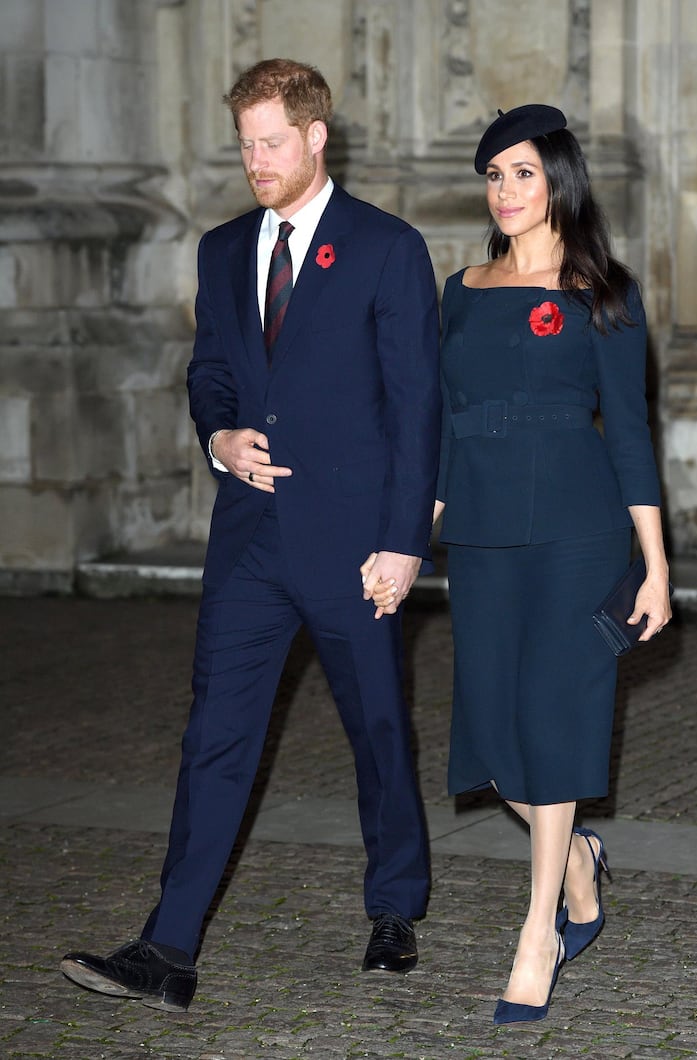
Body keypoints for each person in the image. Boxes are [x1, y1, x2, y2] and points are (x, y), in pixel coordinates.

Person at [60, 58, 441, 1011]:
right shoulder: (223, 248)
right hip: (250, 543)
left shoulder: (386, 247)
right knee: (214, 738)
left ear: (317, 136)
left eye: (272, 142)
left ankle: (395, 904)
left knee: (379, 732)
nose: (256, 160)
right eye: (244, 143)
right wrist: (221, 438)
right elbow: (211, 376)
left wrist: (403, 542)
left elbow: (418, 406)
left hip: (357, 544)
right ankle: (168, 948)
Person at [376, 104, 672, 1026]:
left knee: (552, 718)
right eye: (494, 175)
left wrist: (656, 567)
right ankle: (579, 863)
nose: (505, 192)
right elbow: (436, 431)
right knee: (494, 742)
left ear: (559, 182)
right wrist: (406, 536)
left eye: (523, 174)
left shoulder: (604, 293)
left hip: (581, 534)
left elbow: (629, 436)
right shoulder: (459, 288)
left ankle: (538, 930)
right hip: (484, 534)